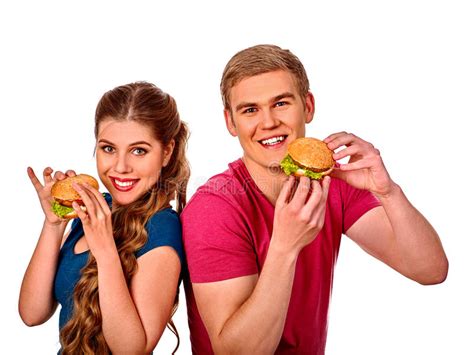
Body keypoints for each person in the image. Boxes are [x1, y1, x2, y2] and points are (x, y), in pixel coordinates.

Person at [181, 44, 449, 354]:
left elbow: (430, 271)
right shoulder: (214, 208)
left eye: (281, 103)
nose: (268, 122)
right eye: (250, 110)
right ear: (231, 122)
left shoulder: (333, 182)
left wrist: (388, 192)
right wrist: (284, 247)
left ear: (307, 106)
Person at [19, 82, 190, 354]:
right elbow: (32, 313)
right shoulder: (96, 209)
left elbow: (132, 349)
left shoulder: (162, 228)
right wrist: (53, 225)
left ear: (166, 152)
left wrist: (106, 251)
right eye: (108, 149)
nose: (120, 167)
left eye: (139, 151)